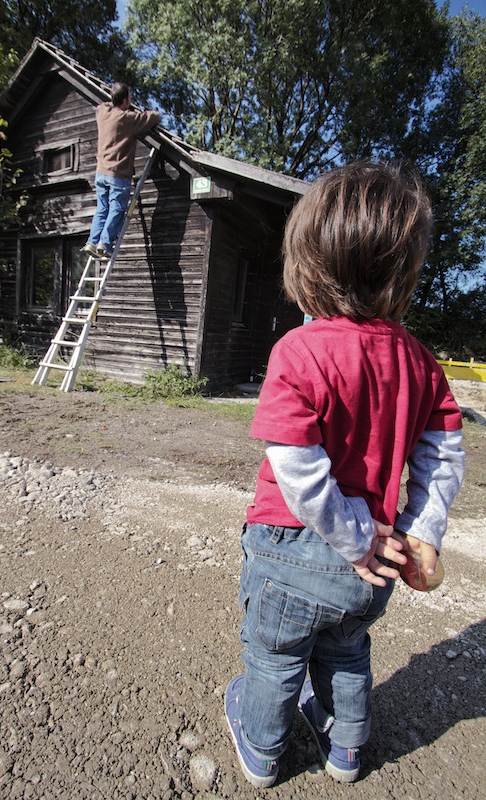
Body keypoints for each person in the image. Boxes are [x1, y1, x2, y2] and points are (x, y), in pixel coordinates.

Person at [224, 161, 465, 789]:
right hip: (378, 556)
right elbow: (442, 458)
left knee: (274, 659)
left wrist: (353, 536)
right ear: (403, 271)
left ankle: (263, 751)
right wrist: (419, 531)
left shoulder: (298, 352)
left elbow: (296, 468)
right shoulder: (423, 364)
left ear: (308, 262)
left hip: (296, 545)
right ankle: (347, 752)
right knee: (346, 652)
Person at [82, 82, 160, 260]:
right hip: (117, 174)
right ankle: (105, 243)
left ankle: (92, 242)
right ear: (125, 100)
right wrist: (148, 112)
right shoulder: (127, 119)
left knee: (102, 208)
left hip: (100, 172)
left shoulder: (102, 112)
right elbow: (151, 118)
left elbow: (104, 104)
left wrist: (116, 101)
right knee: (116, 208)